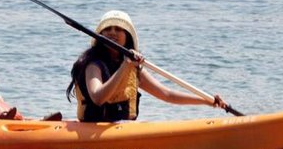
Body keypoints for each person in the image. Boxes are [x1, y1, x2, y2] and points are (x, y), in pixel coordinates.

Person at [66, 10, 227, 122]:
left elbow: (167, 94)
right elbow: (98, 97)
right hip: (94, 128)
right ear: (101, 35)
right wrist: (125, 65)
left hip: (122, 127)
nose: (112, 33)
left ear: (127, 36)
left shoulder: (133, 67)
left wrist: (207, 101)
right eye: (107, 29)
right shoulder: (93, 64)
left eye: (118, 29)